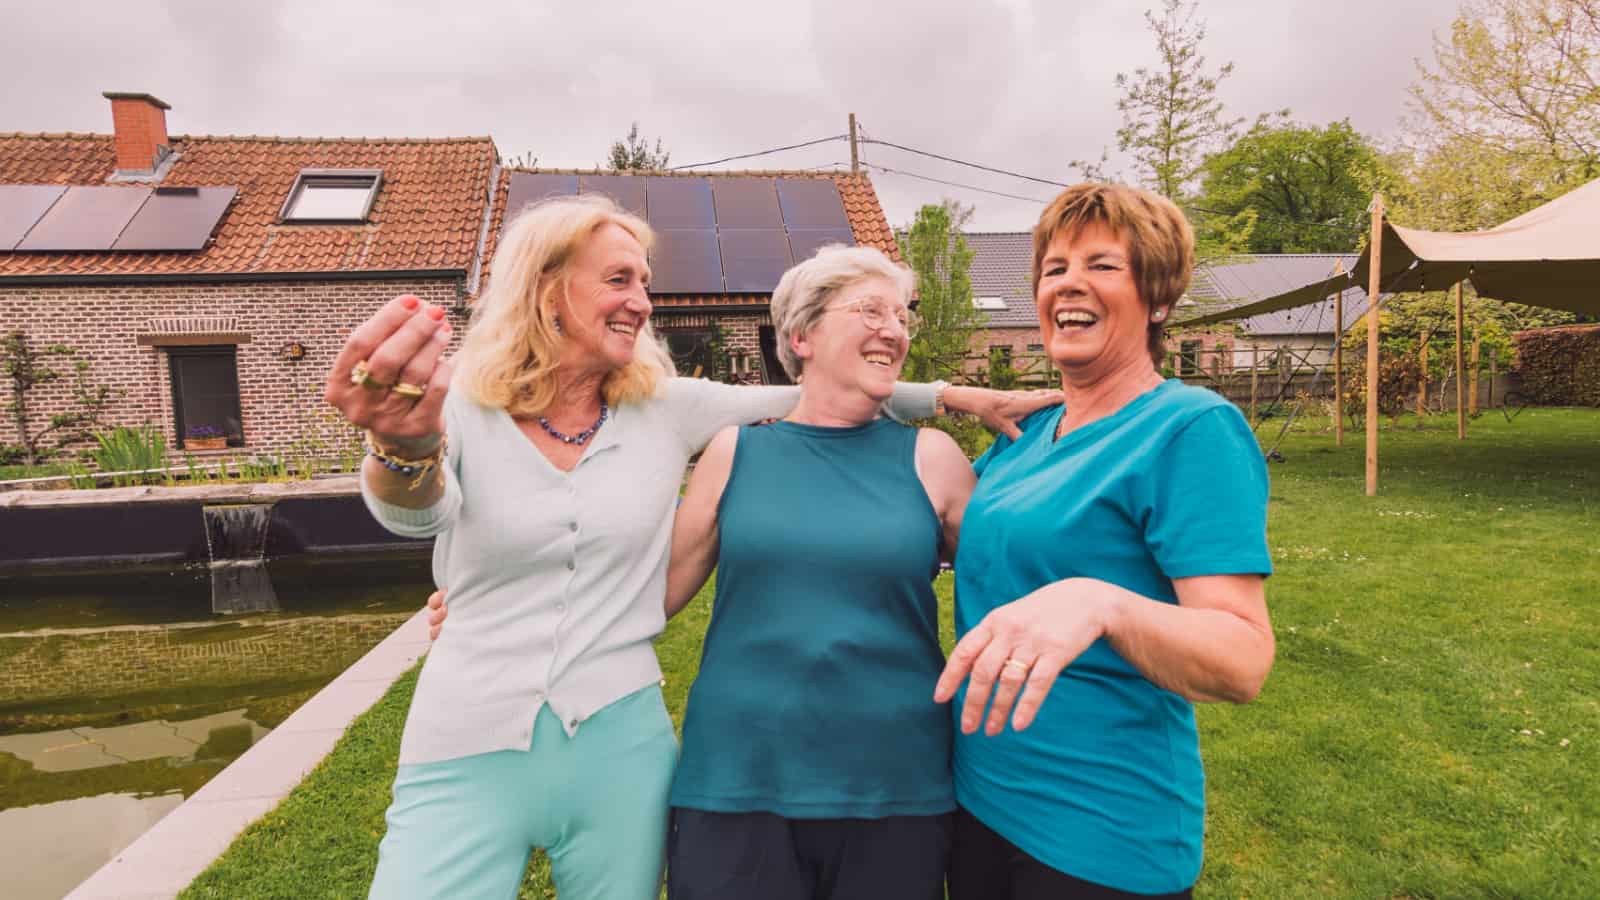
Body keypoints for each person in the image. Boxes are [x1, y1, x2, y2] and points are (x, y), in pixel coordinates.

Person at [323, 194, 1055, 900]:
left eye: (644, 281)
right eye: (619, 279)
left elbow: (818, 395)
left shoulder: (666, 408)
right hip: (471, 731)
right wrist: (402, 443)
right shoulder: (457, 406)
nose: (643, 301)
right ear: (546, 288)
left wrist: (956, 397)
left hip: (623, 738)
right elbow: (417, 515)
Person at [933, 183, 1276, 899]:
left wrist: (1102, 603)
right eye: (1054, 268)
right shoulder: (1024, 439)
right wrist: (941, 397)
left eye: (1102, 265)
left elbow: (1242, 659)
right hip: (980, 799)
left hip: (1101, 829)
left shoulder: (1188, 428)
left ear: (1158, 300)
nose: (1070, 284)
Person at [661, 246, 976, 900]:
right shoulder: (734, 451)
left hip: (895, 788)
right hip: (736, 783)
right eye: (870, 311)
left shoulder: (934, 458)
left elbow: (1018, 582)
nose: (894, 329)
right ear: (801, 336)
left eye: (901, 316)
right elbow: (650, 597)